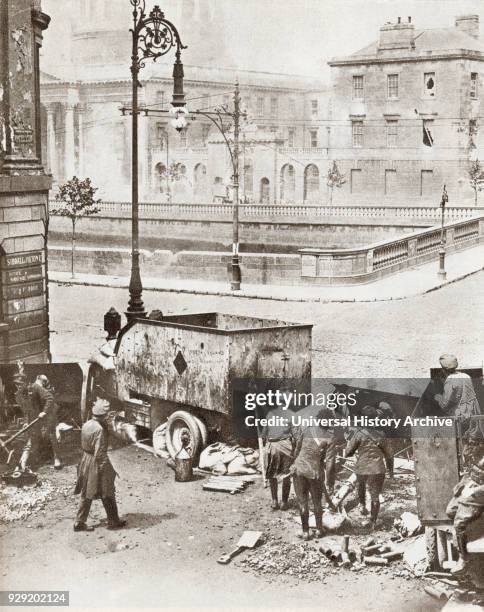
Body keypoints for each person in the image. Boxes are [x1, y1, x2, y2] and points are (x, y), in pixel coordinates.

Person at [74, 398, 126, 532]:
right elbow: (100, 453)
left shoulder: (87, 424)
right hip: (96, 461)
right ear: (104, 415)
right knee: (107, 490)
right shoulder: (100, 430)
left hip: (86, 459)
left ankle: (79, 522)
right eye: (109, 414)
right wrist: (104, 471)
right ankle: (113, 521)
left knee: (87, 491)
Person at [345, 405, 392, 530]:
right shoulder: (381, 434)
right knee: (375, 495)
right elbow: (389, 455)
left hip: (363, 467)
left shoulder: (358, 434)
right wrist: (391, 472)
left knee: (360, 484)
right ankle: (373, 521)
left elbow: (348, 452)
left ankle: (362, 504)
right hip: (378, 469)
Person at [434, 354, 483, 467]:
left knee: (460, 440)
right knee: (472, 438)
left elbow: (446, 404)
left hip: (462, 413)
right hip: (474, 409)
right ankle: (472, 462)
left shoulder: (450, 381)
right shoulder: (465, 375)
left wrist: (438, 397)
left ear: (444, 369)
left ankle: (462, 464)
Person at [290, 415, 334, 540]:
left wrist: (297, 463)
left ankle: (305, 532)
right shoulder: (330, 439)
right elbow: (330, 464)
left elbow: (297, 450)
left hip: (299, 470)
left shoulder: (307, 430)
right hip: (315, 473)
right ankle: (319, 530)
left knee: (302, 502)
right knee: (317, 502)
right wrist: (330, 483)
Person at [446, 455, 484, 575]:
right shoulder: (478, 445)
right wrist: (464, 484)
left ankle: (464, 559)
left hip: (481, 491)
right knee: (451, 511)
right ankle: (468, 533)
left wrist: (473, 491)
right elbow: (473, 468)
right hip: (474, 483)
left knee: (459, 522)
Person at [17, 374, 61, 471]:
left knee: (51, 436)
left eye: (20, 384)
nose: (18, 386)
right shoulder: (20, 394)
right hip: (36, 417)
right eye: (17, 384)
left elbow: (50, 398)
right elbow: (27, 409)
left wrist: (44, 411)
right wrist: (26, 421)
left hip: (48, 415)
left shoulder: (36, 387)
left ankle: (57, 458)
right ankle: (23, 463)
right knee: (32, 438)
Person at [261, 406, 294, 510]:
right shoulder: (291, 414)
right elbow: (296, 435)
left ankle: (274, 501)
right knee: (286, 475)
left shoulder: (270, 414)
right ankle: (284, 502)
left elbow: (263, 435)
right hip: (286, 447)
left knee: (272, 474)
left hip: (272, 447)